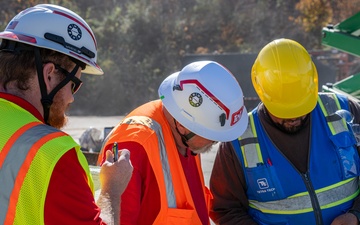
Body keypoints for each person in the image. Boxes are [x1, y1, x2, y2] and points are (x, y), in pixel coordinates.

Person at [0, 4, 133, 225]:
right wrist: (112, 190)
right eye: (74, 84)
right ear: (49, 75)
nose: (71, 98)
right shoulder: (51, 152)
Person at [209, 38, 360, 225]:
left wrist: (356, 215)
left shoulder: (345, 111)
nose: (293, 117)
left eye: (300, 107)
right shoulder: (238, 139)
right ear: (262, 92)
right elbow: (225, 210)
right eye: (283, 110)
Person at [97, 60, 249, 225]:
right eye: (211, 134)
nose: (215, 141)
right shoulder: (134, 146)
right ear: (183, 125)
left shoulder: (186, 131)